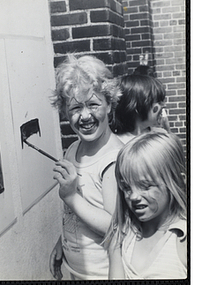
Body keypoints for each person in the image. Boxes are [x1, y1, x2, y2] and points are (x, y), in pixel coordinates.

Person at [49, 54, 124, 280]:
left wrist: (70, 196)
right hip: (78, 270)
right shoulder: (73, 149)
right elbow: (78, 214)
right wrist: (63, 243)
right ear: (64, 111)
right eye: (75, 108)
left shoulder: (113, 159)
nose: (84, 116)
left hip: (104, 273)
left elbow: (115, 226)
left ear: (109, 104)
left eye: (93, 104)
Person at [105, 130, 187, 279]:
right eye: (127, 188)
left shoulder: (183, 239)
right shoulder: (122, 236)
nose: (134, 196)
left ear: (177, 182)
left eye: (145, 186)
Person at [111, 74, 170, 144]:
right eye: (159, 102)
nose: (164, 105)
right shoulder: (118, 144)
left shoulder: (161, 135)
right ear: (139, 107)